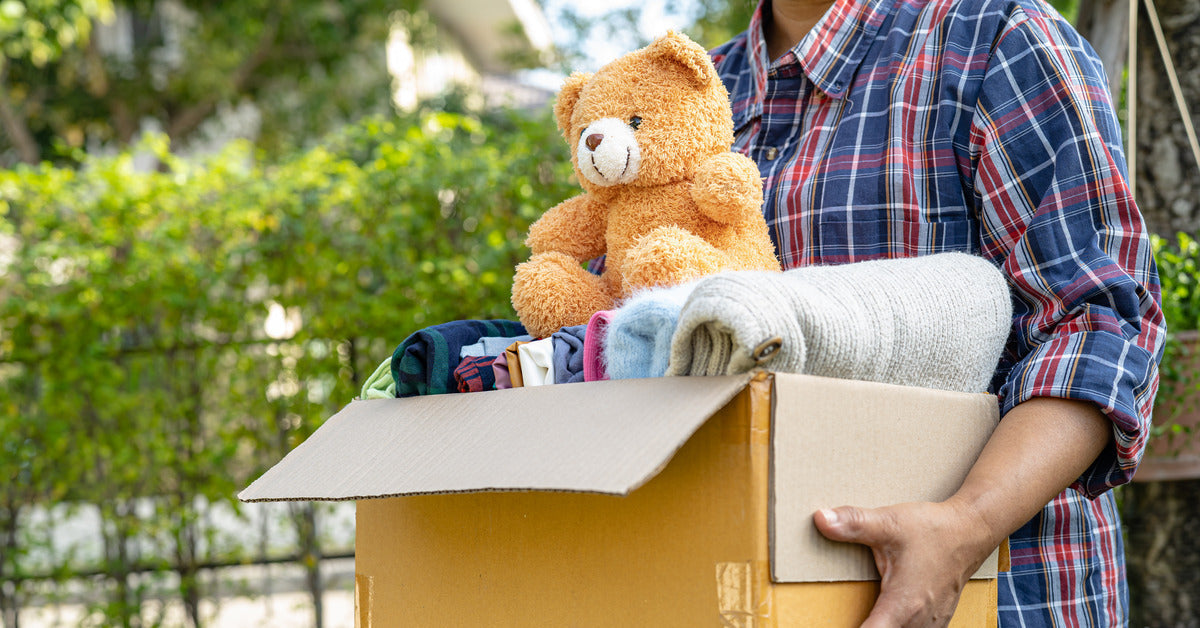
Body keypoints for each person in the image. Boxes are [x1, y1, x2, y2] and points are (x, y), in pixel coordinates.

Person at [709, 0, 1165, 626]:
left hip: (1010, 591)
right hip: (747, 587)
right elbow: (622, 325)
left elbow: (1098, 328)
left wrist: (967, 525)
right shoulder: (689, 92)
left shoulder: (996, 38)